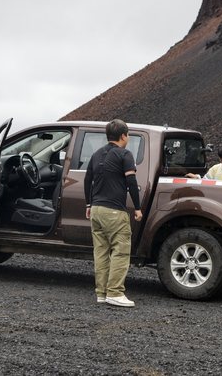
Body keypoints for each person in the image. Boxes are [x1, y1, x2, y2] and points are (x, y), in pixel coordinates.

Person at [84, 119, 142, 307]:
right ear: (123, 135)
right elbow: (132, 183)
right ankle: (115, 293)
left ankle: (102, 293)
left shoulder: (96, 154)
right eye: (128, 135)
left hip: (97, 210)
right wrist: (138, 207)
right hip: (114, 211)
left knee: (100, 251)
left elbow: (87, 179)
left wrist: (88, 204)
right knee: (120, 250)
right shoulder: (125, 154)